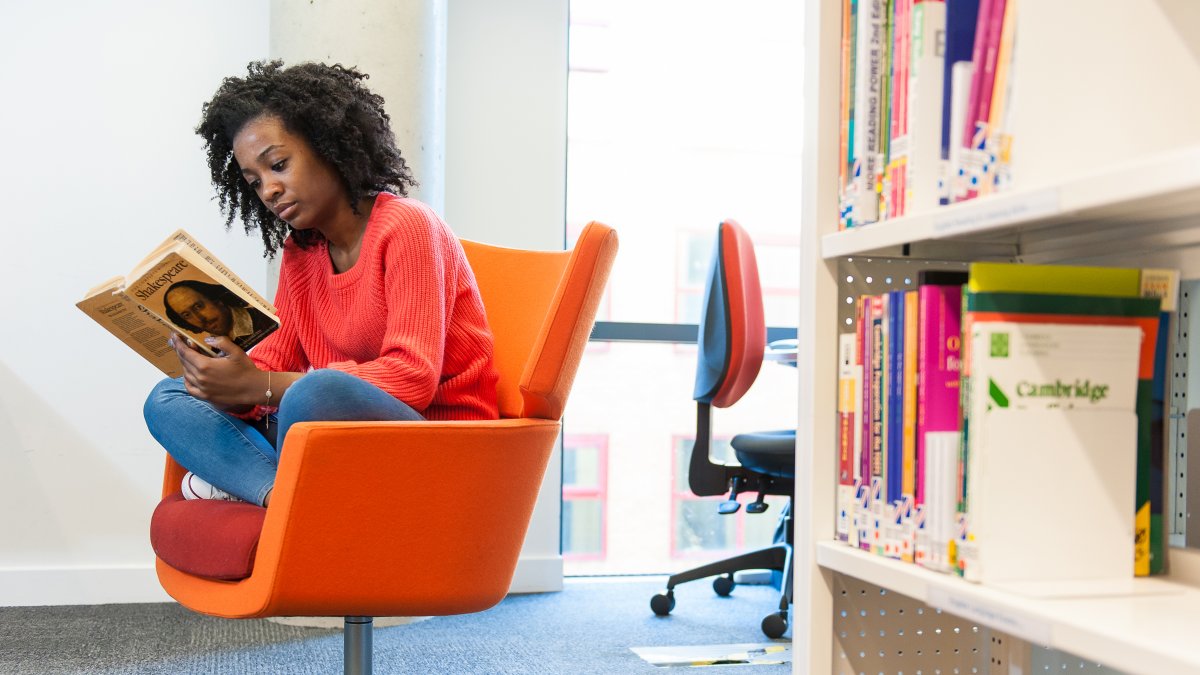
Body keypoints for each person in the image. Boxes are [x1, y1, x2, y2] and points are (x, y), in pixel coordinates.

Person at [144, 60, 500, 507]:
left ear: (329, 146)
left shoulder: (407, 227)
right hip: (342, 435)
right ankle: (281, 495)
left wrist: (262, 387)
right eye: (255, 182)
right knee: (169, 396)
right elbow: (273, 363)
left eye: (278, 165)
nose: (269, 189)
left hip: (436, 436)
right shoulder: (301, 254)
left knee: (313, 392)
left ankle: (251, 480)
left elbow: (413, 379)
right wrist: (222, 377)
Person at [163, 279, 277, 350]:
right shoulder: (215, 352)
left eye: (198, 306)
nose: (200, 318)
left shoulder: (265, 319)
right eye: (187, 315)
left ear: (217, 300)